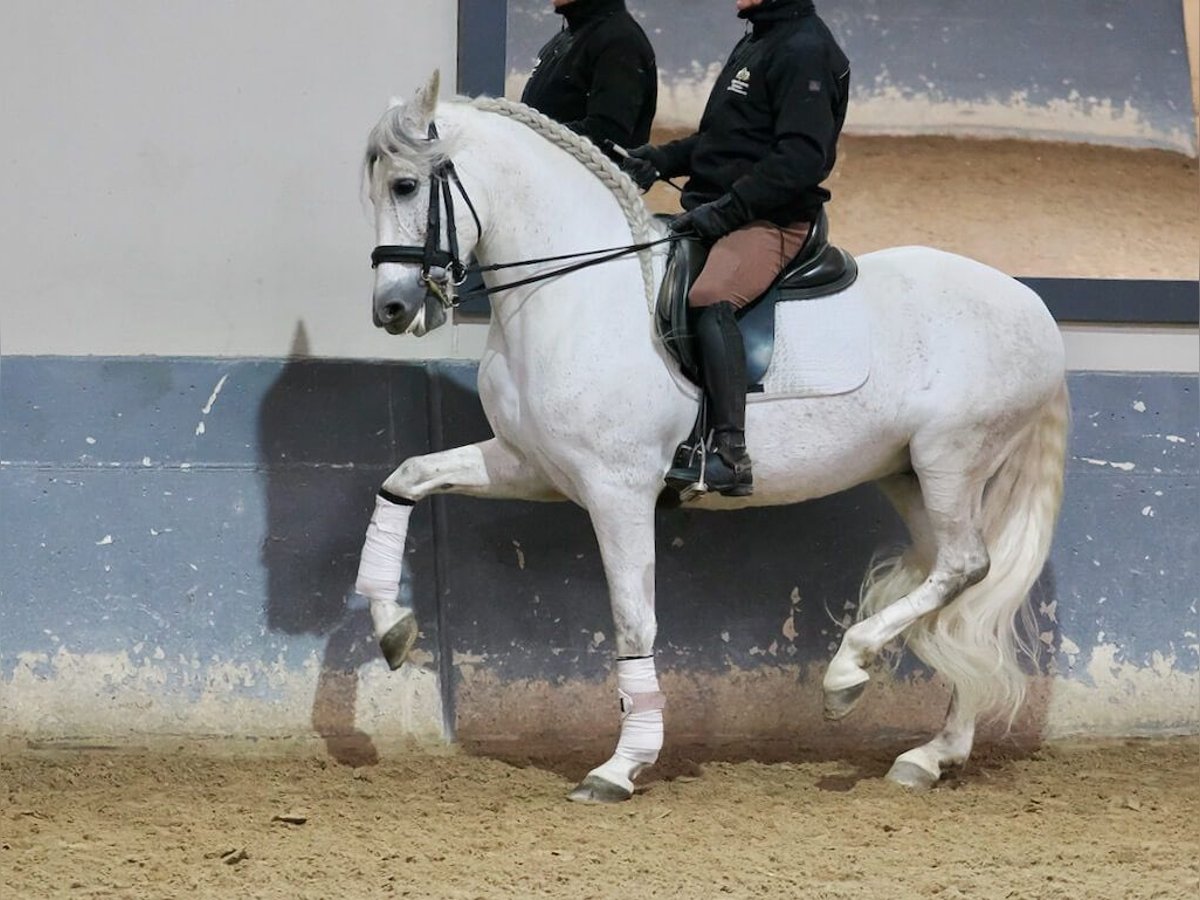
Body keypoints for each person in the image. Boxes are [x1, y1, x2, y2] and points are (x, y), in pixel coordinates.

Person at [622, 0, 850, 497]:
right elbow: (725, 141)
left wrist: (725, 212)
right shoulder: (758, 38)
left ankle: (728, 451)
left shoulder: (805, 50)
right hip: (723, 207)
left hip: (771, 218)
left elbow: (802, 158)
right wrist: (659, 160)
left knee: (711, 296)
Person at [520, 0, 658, 158]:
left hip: (583, 179)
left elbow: (608, 134)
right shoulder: (568, 35)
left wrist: (531, 137)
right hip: (543, 172)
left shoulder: (621, 42)